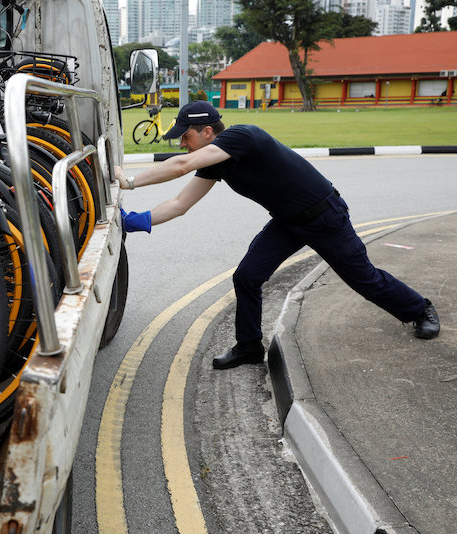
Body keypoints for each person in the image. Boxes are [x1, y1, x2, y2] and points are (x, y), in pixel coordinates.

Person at [115, 100, 440, 370]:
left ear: (208, 132)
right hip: (287, 221)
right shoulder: (214, 164)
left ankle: (419, 309)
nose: (182, 143)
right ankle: (249, 348)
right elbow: (179, 204)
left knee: (364, 279)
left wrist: (129, 182)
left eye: (185, 136)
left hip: (325, 217)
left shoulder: (243, 136)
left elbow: (183, 164)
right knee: (246, 276)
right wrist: (133, 220)